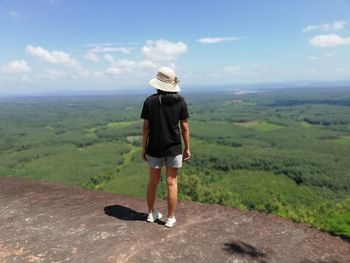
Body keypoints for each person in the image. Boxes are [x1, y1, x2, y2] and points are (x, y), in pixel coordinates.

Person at [140, 67, 190, 228]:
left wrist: (143, 148)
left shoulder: (150, 101)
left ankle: (150, 213)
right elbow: (185, 127)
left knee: (153, 182)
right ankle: (170, 218)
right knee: (172, 183)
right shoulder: (180, 101)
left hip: (154, 146)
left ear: (158, 84)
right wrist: (187, 148)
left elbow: (146, 128)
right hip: (174, 147)